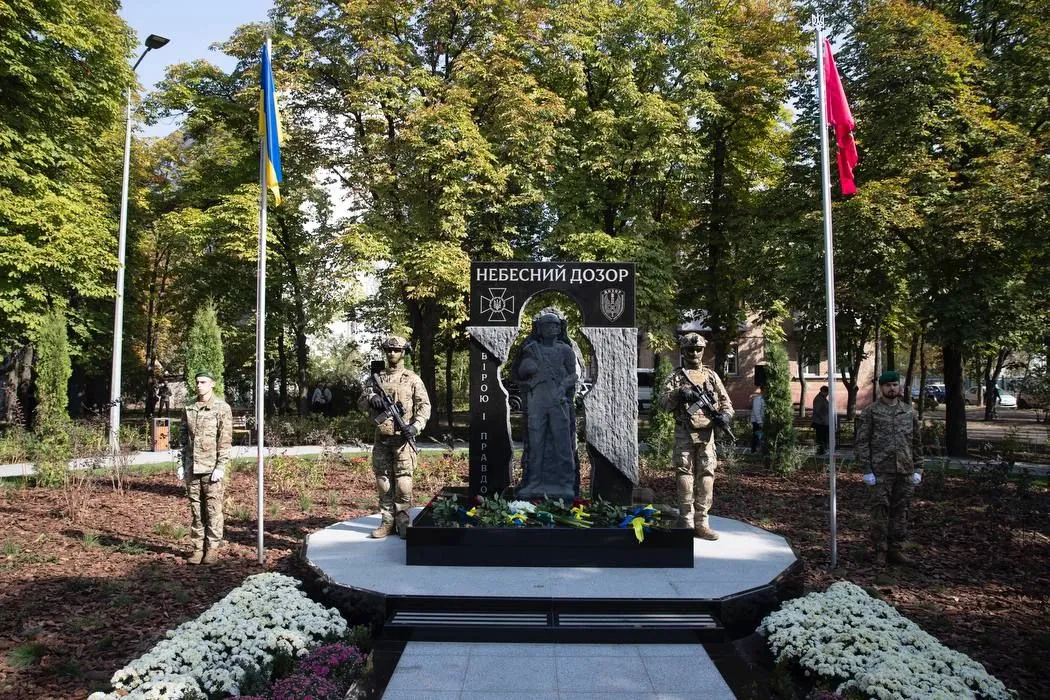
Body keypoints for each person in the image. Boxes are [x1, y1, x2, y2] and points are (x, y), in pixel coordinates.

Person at [658, 332, 734, 540]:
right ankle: (686, 520)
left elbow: (726, 402)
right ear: (682, 351)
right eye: (690, 349)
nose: (694, 353)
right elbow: (663, 404)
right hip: (684, 431)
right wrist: (679, 393)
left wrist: (725, 416)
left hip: (707, 434)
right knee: (684, 473)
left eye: (698, 349)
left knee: (707, 475)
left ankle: (702, 521)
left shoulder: (711, 376)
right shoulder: (676, 377)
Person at [358, 336, 431, 539]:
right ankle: (387, 521)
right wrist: (373, 398)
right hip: (382, 438)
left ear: (403, 352)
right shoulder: (375, 379)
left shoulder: (412, 379)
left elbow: (424, 407)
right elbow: (361, 402)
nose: (392, 354)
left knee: (403, 482)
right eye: (389, 350)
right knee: (383, 480)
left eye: (397, 350)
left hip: (402, 441)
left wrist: (415, 427)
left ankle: (403, 520)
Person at [855, 370, 923, 566]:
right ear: (881, 388)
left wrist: (918, 468)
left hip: (904, 470)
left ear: (899, 387)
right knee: (880, 512)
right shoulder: (872, 412)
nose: (891, 388)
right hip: (880, 472)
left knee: (901, 512)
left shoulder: (909, 412)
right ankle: (880, 551)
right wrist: (866, 469)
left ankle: (896, 550)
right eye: (887, 385)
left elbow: (916, 442)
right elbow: (862, 442)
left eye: (894, 385)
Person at [513, 308, 579, 500]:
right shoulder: (532, 349)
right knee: (536, 442)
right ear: (540, 329)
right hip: (537, 400)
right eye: (548, 325)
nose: (553, 328)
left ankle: (566, 483)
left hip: (558, 398)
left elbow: (573, 374)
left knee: (563, 441)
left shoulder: (565, 350)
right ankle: (533, 481)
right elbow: (520, 372)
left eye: (556, 325)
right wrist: (529, 367)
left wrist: (564, 385)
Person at [176, 371, 232, 564]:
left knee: (213, 509)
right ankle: (198, 548)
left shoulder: (221, 408)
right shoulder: (189, 408)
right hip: (193, 467)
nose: (199, 385)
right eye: (197, 382)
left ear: (212, 384)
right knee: (196, 509)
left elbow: (225, 440)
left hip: (211, 468)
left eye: (203, 382)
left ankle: (212, 549)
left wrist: (221, 466)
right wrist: (181, 463)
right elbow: (183, 438)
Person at [812, 385, 830, 455]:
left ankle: (822, 450)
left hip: (823, 422)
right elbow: (818, 410)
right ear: (823, 392)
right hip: (820, 422)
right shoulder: (819, 399)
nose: (828, 394)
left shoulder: (823, 398)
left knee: (823, 437)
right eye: (827, 393)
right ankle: (820, 451)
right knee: (820, 437)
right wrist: (823, 419)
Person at [750, 386, 766, 454]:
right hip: (757, 421)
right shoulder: (757, 399)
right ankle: (754, 451)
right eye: (765, 390)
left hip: (763, 421)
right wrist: (760, 422)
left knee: (762, 437)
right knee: (756, 436)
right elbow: (756, 411)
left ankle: (760, 451)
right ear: (762, 391)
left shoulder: (765, 399)